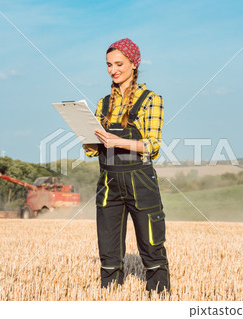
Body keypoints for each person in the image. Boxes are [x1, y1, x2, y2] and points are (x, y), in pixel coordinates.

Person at [84, 38, 170, 293]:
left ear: (134, 64)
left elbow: (152, 145)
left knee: (152, 245)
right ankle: (109, 297)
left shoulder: (151, 99)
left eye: (119, 64)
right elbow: (93, 150)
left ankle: (159, 297)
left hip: (140, 180)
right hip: (108, 181)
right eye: (109, 65)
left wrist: (117, 141)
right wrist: (88, 140)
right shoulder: (103, 103)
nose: (113, 70)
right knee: (108, 251)